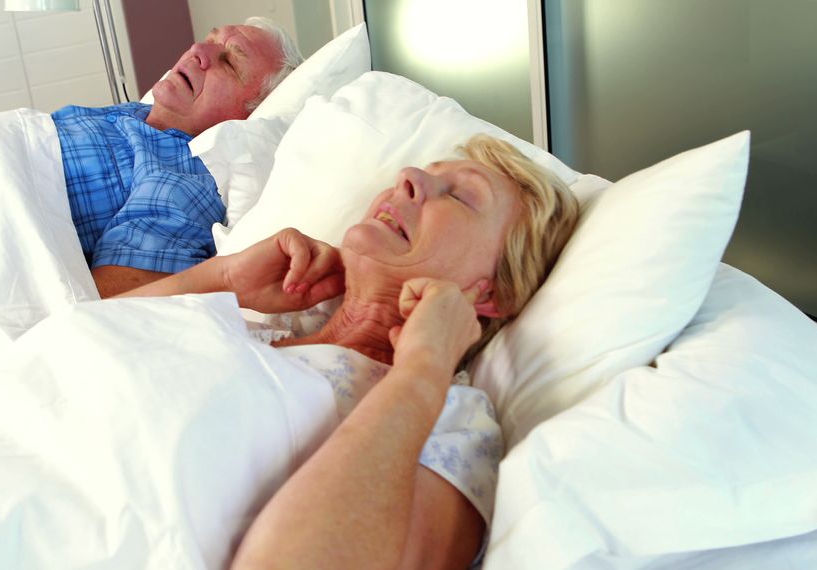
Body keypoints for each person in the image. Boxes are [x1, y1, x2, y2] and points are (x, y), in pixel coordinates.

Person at [118, 134, 584, 567]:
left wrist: (423, 370)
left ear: (488, 295)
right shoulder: (264, 330)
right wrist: (221, 278)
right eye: (427, 170)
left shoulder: (452, 421)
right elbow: (81, 346)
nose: (410, 177)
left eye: (460, 196)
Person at [52, 17, 304, 299]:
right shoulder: (132, 114)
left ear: (249, 115)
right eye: (210, 40)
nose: (198, 50)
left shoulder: (182, 175)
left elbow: (112, 301)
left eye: (230, 63)